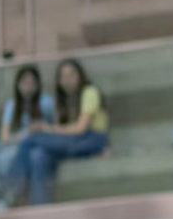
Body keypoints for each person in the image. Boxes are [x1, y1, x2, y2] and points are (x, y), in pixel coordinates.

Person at [8, 58, 110, 207]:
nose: (67, 80)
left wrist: (48, 129)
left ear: (80, 75)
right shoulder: (66, 100)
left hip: (91, 139)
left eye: (71, 74)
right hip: (76, 143)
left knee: (29, 141)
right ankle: (40, 207)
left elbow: (80, 129)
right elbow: (65, 131)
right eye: (63, 76)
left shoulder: (90, 92)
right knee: (38, 155)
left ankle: (11, 189)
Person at [0, 65, 52, 213]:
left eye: (32, 83)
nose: (29, 87)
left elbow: (54, 130)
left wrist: (40, 129)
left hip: (34, 145)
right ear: (18, 85)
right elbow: (5, 137)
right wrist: (26, 132)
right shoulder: (12, 105)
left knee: (15, 157)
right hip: (14, 143)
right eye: (25, 83)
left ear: (38, 85)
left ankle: (2, 195)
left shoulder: (46, 102)